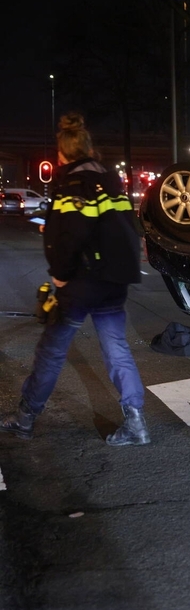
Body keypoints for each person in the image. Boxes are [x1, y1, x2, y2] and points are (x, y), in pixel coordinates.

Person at [0, 112, 150, 446]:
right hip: (114, 280)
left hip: (83, 282)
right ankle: (136, 423)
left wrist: (60, 274)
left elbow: (70, 237)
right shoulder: (111, 180)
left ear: (63, 153)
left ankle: (25, 418)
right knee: (116, 349)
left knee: (51, 351)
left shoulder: (71, 184)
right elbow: (121, 228)